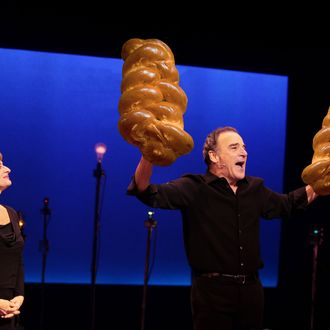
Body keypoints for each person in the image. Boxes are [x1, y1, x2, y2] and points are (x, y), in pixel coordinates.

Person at [127, 126, 318, 330]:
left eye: (244, 148)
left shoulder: (254, 188)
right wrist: (148, 153)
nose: (244, 152)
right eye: (234, 147)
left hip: (251, 292)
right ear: (214, 156)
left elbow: (288, 204)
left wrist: (321, 180)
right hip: (212, 293)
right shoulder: (193, 187)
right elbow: (144, 189)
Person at [0, 152, 24, 330]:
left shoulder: (12, 213)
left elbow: (17, 260)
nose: (7, 168)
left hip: (9, 309)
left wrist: (19, 295)